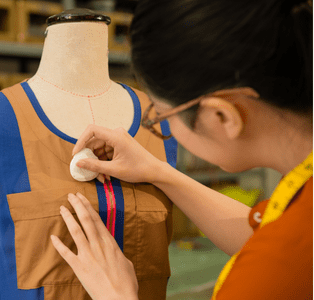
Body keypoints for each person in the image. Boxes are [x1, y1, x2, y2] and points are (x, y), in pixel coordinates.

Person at [50, 0, 313, 299]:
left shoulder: (266, 278)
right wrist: (157, 171)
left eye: (161, 116)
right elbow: (262, 234)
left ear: (221, 117)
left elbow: (278, 257)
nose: (164, 126)